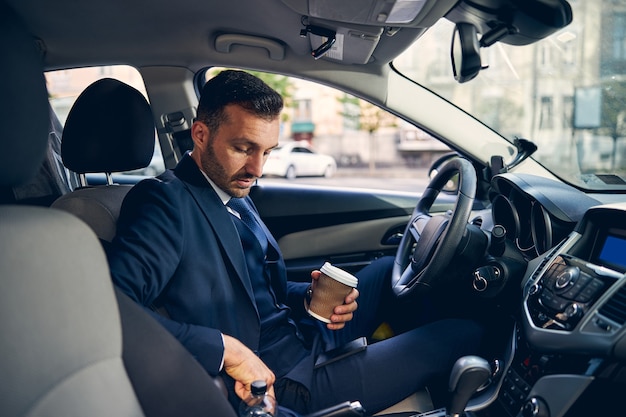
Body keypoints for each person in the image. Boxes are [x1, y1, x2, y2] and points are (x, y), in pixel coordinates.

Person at [108, 70, 484, 415]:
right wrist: (225, 350)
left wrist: (307, 298)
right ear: (201, 134)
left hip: (300, 335)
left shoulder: (230, 186)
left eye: (267, 151)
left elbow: (255, 289)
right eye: (243, 148)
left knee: (388, 272)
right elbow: (112, 307)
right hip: (279, 377)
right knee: (465, 332)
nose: (258, 168)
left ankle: (420, 385)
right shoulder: (164, 202)